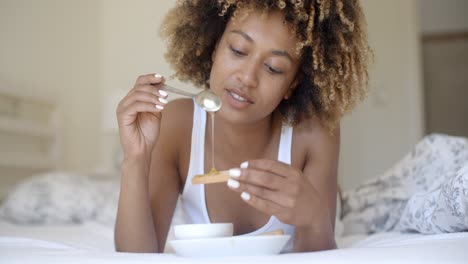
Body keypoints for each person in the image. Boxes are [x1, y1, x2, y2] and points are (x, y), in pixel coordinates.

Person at [115, 0, 370, 253]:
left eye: (273, 68)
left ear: (292, 84)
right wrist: (135, 159)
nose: (247, 78)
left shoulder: (315, 133)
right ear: (214, 47)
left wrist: (314, 218)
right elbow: (138, 256)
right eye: (238, 50)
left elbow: (318, 255)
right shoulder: (177, 125)